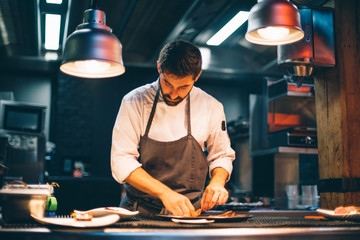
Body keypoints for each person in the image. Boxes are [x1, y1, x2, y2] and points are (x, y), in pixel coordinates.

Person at [111, 40, 235, 218]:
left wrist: (217, 182)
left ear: (197, 76)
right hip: (139, 211)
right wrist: (165, 193)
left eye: (184, 87)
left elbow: (222, 155)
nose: (174, 94)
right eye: (168, 83)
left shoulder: (211, 106)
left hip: (189, 214)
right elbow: (121, 160)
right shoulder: (134, 102)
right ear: (159, 68)